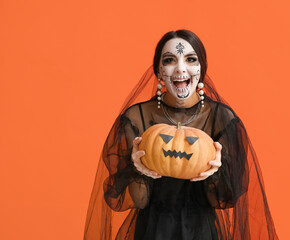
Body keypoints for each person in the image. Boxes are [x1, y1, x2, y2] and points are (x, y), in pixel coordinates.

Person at [84, 29, 279, 240]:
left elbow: (221, 201)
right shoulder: (136, 117)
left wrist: (216, 173)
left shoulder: (221, 119)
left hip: (201, 233)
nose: (180, 68)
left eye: (190, 59)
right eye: (169, 60)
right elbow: (139, 200)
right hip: (151, 232)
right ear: (158, 71)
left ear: (201, 68)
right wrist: (136, 169)